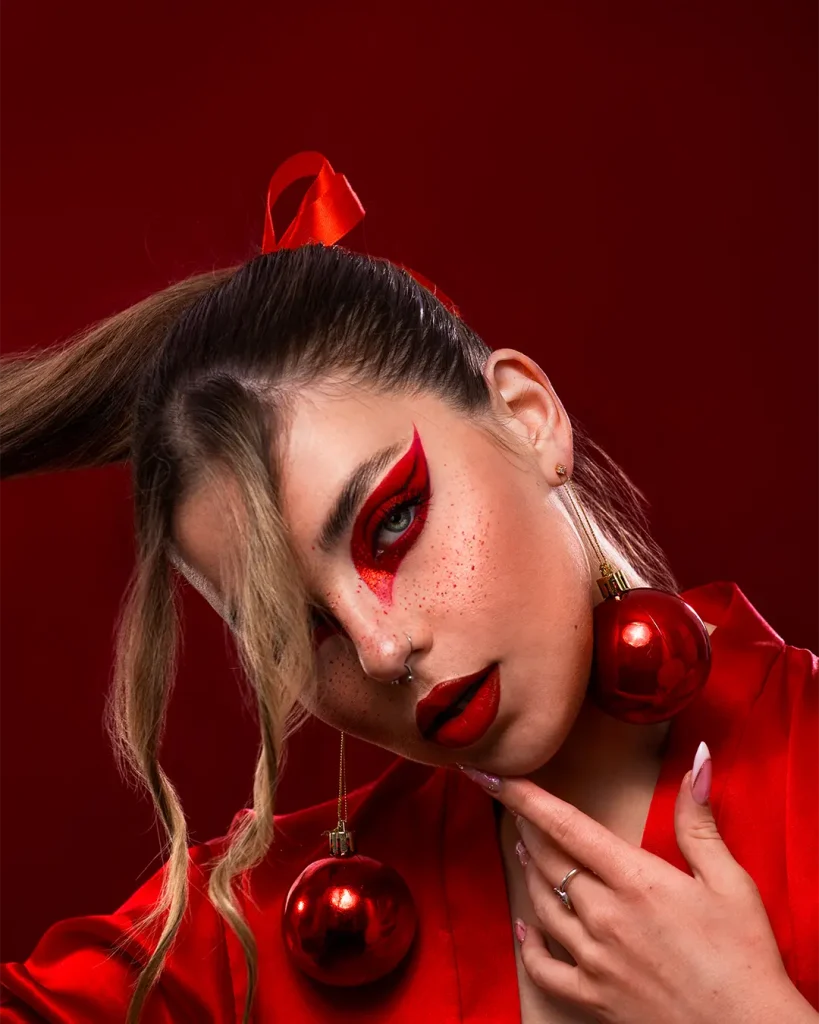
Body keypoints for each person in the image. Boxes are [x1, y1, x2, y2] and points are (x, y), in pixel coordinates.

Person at [0, 154, 817, 1024]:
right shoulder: (255, 942)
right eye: (296, 627)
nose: (380, 650)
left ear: (526, 417)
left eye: (391, 522)